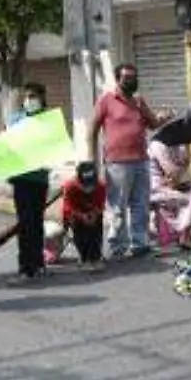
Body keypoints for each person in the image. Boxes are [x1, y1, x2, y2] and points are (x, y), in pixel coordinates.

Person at [90, 63, 160, 258]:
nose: (131, 80)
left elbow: (153, 123)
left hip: (141, 161)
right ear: (118, 79)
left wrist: (163, 118)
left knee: (141, 205)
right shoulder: (106, 100)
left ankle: (140, 244)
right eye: (127, 77)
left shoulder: (138, 101)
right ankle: (118, 247)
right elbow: (92, 130)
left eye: (134, 77)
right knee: (118, 206)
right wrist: (92, 160)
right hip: (117, 163)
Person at [8, 82, 53, 283]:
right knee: (25, 225)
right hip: (21, 179)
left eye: (33, 96)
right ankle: (26, 267)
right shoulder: (16, 119)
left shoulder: (49, 121)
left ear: (42, 97)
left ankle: (37, 264)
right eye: (27, 96)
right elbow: (8, 144)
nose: (29, 100)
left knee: (36, 223)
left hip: (39, 179)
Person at [60, 160, 108, 272]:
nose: (88, 188)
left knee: (95, 229)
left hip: (92, 213)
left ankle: (95, 256)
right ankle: (84, 257)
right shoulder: (70, 186)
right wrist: (81, 216)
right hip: (75, 215)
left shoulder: (100, 186)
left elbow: (100, 205)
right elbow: (68, 207)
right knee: (81, 233)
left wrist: (94, 215)